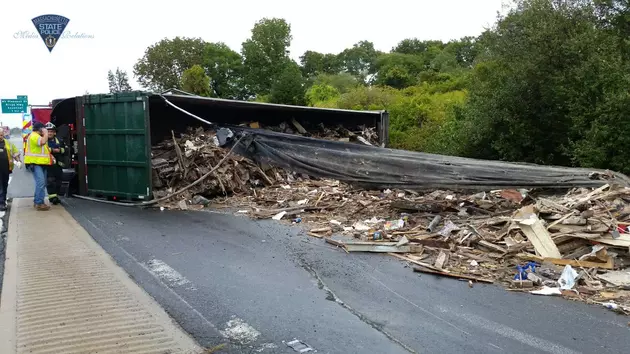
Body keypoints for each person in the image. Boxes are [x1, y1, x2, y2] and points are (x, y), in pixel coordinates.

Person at [24, 122, 53, 211]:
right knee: (40, 183)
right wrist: (46, 133)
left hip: (40, 163)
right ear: (40, 129)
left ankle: (39, 201)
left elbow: (44, 150)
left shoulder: (37, 136)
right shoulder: (34, 136)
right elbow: (42, 142)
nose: (45, 130)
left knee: (42, 183)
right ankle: (39, 202)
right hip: (35, 163)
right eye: (44, 128)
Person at [0, 134, 22, 211]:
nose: (0, 136)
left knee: (4, 184)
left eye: (1, 135)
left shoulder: (8, 143)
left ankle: (3, 200)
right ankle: (1, 203)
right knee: (0, 186)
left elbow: (15, 152)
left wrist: (18, 160)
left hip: (6, 168)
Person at [45, 122, 64, 205]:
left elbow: (66, 150)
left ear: (54, 132)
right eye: (48, 131)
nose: (50, 133)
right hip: (48, 165)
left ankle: (56, 196)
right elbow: (43, 150)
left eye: (51, 131)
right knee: (50, 181)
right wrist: (53, 150)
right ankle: (52, 198)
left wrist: (60, 150)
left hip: (58, 164)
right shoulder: (43, 140)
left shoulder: (59, 140)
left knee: (59, 181)